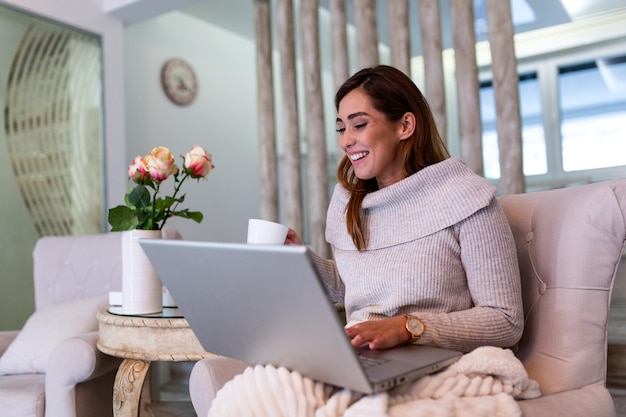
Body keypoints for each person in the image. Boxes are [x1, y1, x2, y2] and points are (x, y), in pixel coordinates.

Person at [286, 65, 523, 354]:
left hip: (434, 360)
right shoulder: (350, 203)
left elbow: (506, 321)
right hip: (363, 355)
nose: (345, 140)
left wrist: (406, 328)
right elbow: (358, 289)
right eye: (341, 127)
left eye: (358, 124)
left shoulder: (465, 198)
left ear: (405, 126)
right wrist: (300, 258)